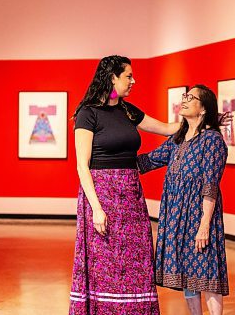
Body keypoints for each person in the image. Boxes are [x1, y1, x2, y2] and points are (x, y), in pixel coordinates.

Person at [69, 55, 185, 315]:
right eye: (128, 76)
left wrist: (203, 121)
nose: (134, 81)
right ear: (112, 78)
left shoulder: (128, 110)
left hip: (131, 197)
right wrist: (96, 209)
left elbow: (168, 129)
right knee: (104, 260)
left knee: (136, 258)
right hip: (102, 196)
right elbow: (81, 166)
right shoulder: (88, 113)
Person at [138, 85, 229, 315]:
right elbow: (148, 162)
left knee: (207, 273)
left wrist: (204, 225)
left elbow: (210, 185)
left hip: (199, 217)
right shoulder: (177, 140)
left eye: (191, 97)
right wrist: (111, 156)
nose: (185, 100)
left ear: (203, 109)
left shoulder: (212, 140)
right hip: (177, 217)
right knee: (188, 275)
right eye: (185, 96)